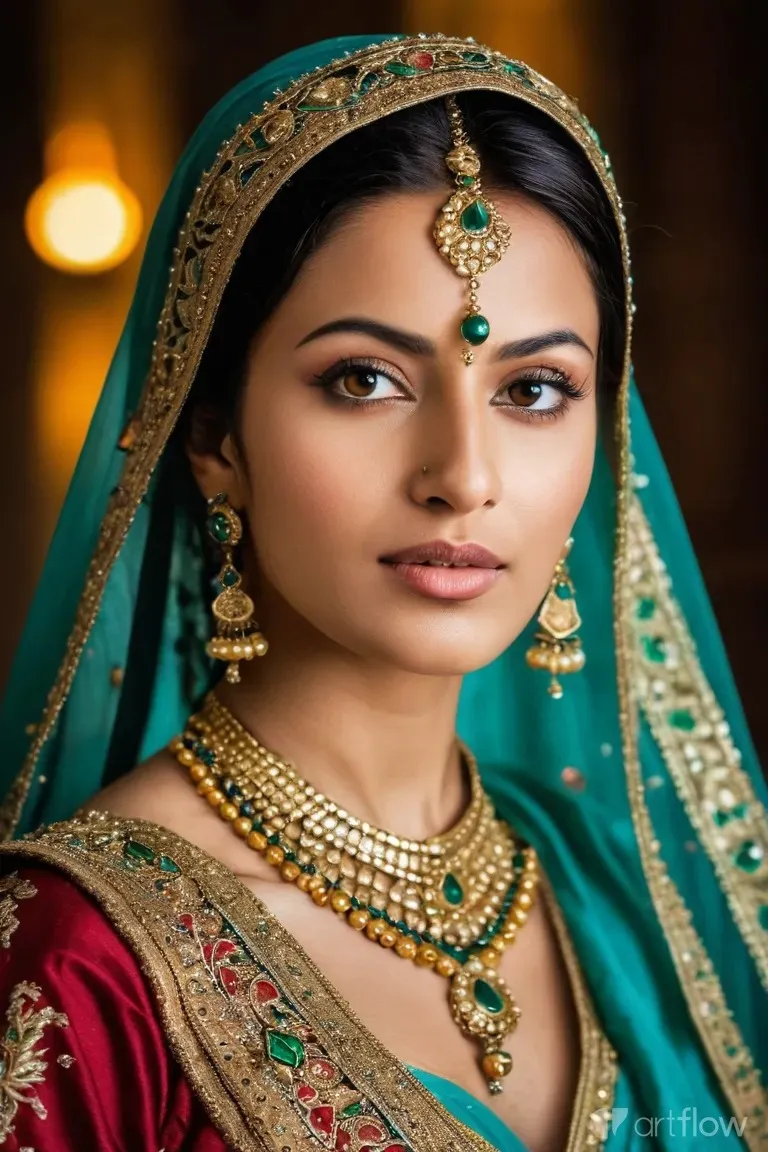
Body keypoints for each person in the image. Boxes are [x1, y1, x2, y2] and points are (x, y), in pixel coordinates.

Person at [0, 30, 765, 1152]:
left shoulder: (635, 892)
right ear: (213, 436)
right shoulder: (83, 960)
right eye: (365, 380)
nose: (462, 476)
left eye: (538, 389)